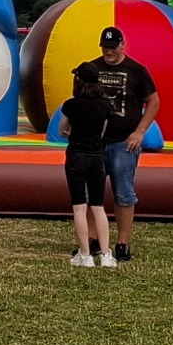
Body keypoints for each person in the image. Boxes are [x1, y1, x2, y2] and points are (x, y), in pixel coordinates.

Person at [72, 25, 159, 263]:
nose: (109, 52)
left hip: (123, 142)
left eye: (113, 47)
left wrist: (140, 132)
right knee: (92, 195)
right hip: (95, 143)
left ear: (122, 45)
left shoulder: (137, 71)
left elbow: (154, 101)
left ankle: (122, 243)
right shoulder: (92, 68)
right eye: (105, 47)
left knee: (124, 192)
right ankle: (92, 241)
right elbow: (77, 100)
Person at [58, 67, 117, 268]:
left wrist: (71, 133)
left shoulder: (71, 105)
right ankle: (106, 254)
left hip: (76, 155)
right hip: (96, 157)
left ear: (79, 81)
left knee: (79, 207)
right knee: (98, 206)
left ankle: (85, 254)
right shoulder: (105, 106)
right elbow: (103, 133)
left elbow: (62, 129)